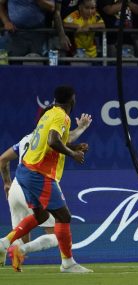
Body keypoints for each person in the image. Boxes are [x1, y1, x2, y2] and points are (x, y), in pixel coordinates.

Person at [0, 86, 92, 273]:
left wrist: (74, 145)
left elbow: (50, 142)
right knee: (63, 216)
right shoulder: (61, 116)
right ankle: (68, 263)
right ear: (71, 100)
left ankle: (5, 242)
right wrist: (73, 153)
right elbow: (53, 141)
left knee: (40, 215)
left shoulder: (48, 115)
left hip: (24, 171)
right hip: (39, 173)